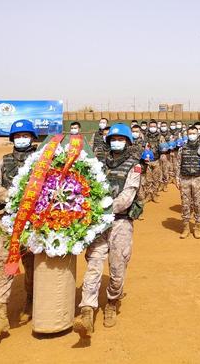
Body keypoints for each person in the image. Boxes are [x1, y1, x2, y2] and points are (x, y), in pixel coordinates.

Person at [74, 123, 143, 338]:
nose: (117, 142)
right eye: (114, 139)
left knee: (117, 268)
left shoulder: (134, 166)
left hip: (120, 222)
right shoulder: (98, 163)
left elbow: (127, 197)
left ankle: (112, 301)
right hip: (98, 223)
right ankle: (87, 309)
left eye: (121, 139)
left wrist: (103, 208)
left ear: (128, 142)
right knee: (94, 263)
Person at [0, 119, 39, 339]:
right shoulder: (2, 162)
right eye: (17, 136)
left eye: (25, 135)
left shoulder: (42, 161)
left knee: (33, 266)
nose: (21, 139)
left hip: (35, 224)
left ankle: (31, 301)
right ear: (12, 139)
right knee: (4, 265)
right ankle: (0, 316)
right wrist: (15, 200)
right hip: (8, 222)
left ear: (33, 138)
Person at [176, 126, 200, 239]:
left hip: (198, 179)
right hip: (184, 179)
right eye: (190, 133)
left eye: (194, 133)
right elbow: (178, 164)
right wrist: (177, 178)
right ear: (187, 134)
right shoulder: (182, 148)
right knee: (185, 204)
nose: (192, 135)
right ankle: (186, 228)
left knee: (198, 204)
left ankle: (197, 227)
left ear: (198, 133)